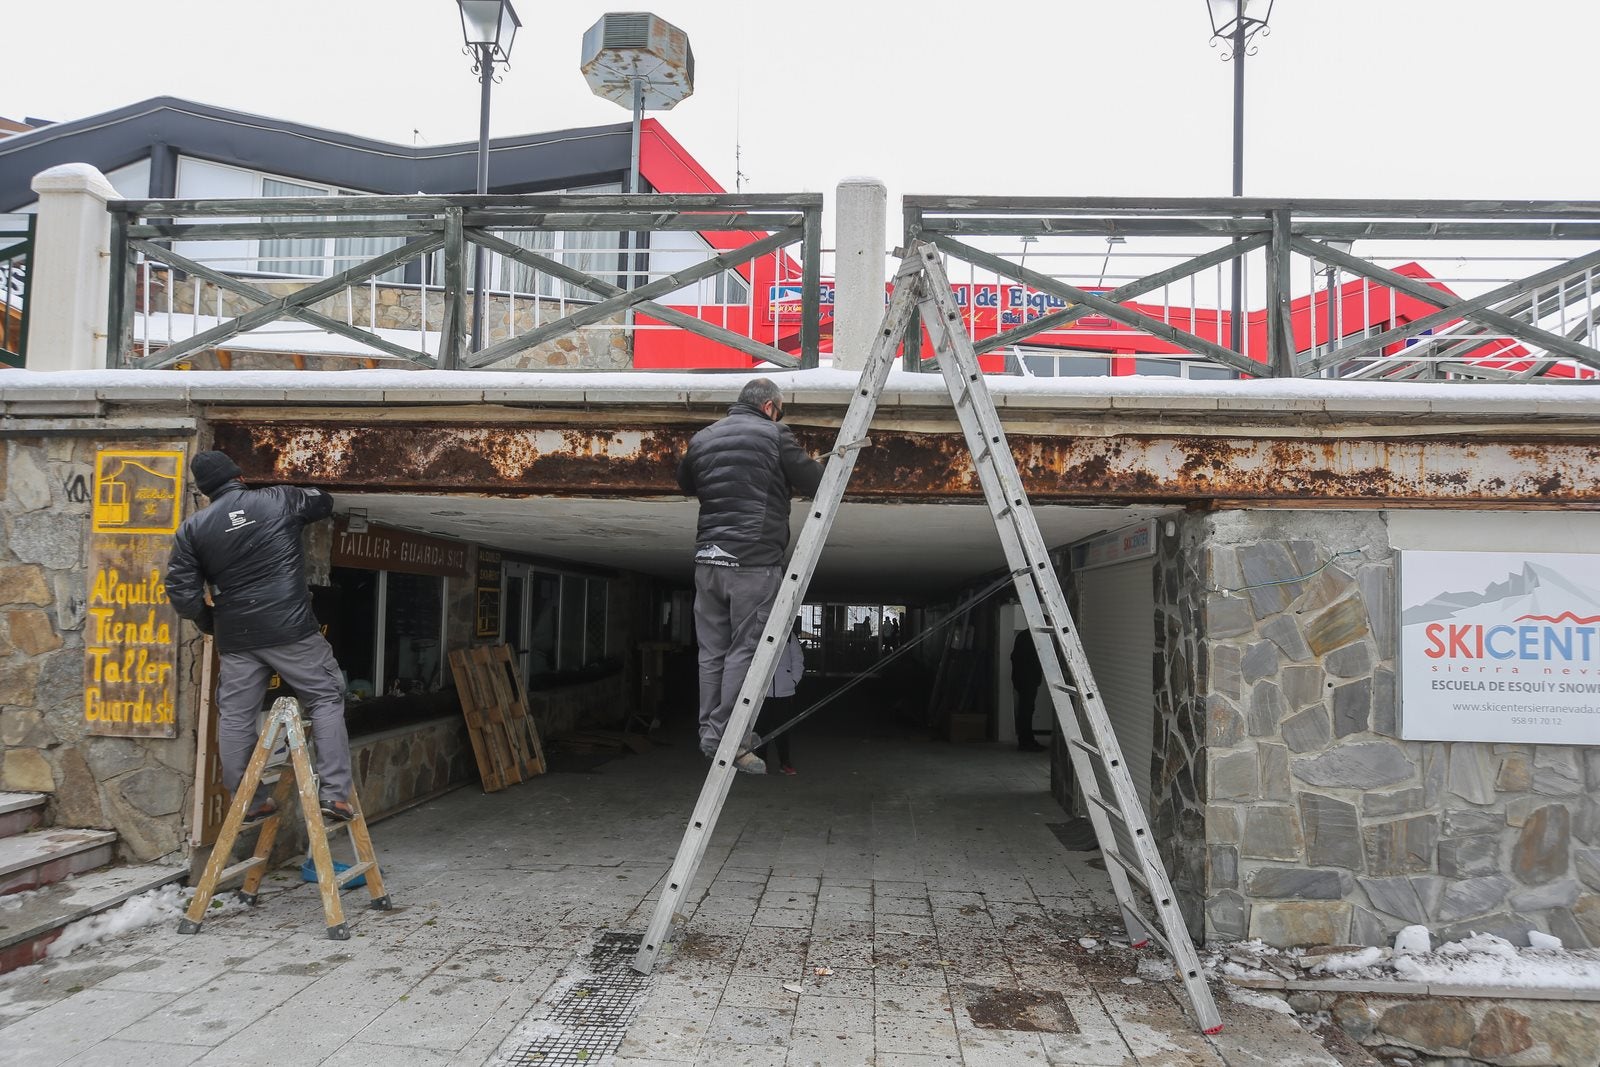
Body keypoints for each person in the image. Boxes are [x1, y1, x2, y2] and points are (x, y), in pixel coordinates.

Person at [165, 450, 356, 821]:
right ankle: (335, 796)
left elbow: (181, 592)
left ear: (205, 490)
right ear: (238, 475)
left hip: (237, 637)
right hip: (291, 628)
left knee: (236, 715)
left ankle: (250, 802)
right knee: (326, 697)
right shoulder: (276, 499)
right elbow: (323, 501)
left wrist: (212, 623)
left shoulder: (192, 529)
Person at [677, 378, 824, 773]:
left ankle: (712, 735)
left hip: (709, 560)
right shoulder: (774, 434)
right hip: (753, 562)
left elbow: (687, 483)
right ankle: (734, 738)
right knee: (746, 651)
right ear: (771, 407)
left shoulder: (704, 437)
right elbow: (814, 481)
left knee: (712, 654)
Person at [758, 619, 806, 775]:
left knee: (783, 728)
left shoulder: (789, 636)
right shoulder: (758, 634)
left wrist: (793, 680)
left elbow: (798, 659)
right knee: (760, 728)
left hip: (784, 691)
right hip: (761, 692)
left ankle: (784, 762)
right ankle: (761, 762)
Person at [1010, 627, 1047, 752]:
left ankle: (1027, 740)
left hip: (1022, 679)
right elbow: (1032, 659)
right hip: (1027, 680)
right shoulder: (1031, 638)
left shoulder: (1024, 636)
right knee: (1026, 710)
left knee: (1026, 710)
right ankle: (1026, 741)